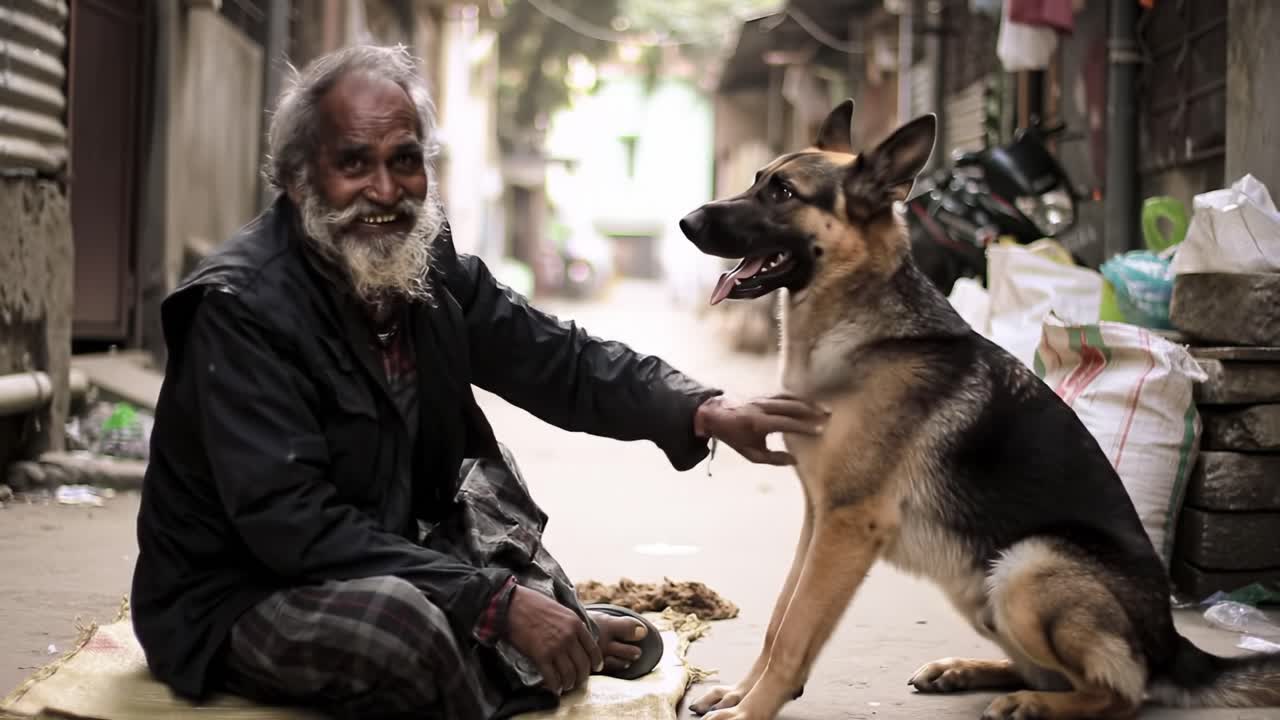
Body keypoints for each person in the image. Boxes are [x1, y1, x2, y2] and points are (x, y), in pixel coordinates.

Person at [129, 44, 827, 720]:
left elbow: (555, 357)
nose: (384, 190)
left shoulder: (422, 262)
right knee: (405, 632)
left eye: (405, 161)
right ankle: (504, 649)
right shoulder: (238, 307)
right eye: (354, 164)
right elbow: (293, 528)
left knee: (494, 516)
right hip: (242, 593)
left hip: (385, 544)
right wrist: (496, 604)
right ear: (299, 178)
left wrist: (703, 408)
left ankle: (517, 645)